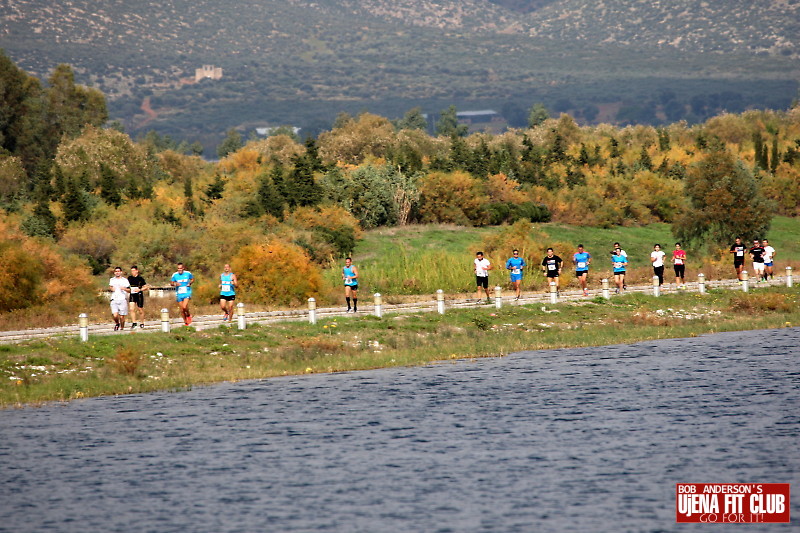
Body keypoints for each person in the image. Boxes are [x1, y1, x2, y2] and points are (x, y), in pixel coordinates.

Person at [109, 266, 131, 331]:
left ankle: (122, 328)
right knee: (115, 315)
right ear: (114, 272)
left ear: (121, 272)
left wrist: (124, 288)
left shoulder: (125, 280)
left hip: (122, 299)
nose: (117, 273)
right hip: (114, 299)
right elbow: (110, 287)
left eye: (118, 271)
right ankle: (117, 323)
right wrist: (112, 289)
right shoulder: (112, 280)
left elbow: (129, 290)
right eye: (116, 271)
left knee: (122, 316)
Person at [127, 265, 149, 329]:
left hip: (139, 295)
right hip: (132, 294)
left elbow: (146, 287)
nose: (133, 272)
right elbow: (127, 286)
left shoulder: (140, 278)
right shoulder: (129, 278)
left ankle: (142, 322)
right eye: (131, 271)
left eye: (134, 271)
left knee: (140, 309)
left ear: (137, 271)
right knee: (131, 308)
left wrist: (140, 289)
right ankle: (134, 322)